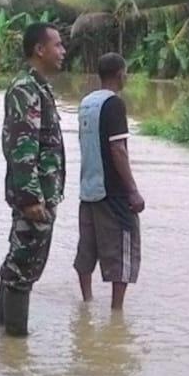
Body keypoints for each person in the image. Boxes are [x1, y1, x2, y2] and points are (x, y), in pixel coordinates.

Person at [0, 22, 67, 337]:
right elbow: (23, 145)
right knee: (22, 268)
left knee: (18, 262)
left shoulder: (39, 87)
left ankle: (2, 335)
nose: (63, 52)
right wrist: (30, 198)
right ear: (40, 49)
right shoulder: (26, 88)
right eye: (58, 45)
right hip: (34, 199)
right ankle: (14, 348)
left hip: (41, 195)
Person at [74, 53, 144, 311]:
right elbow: (118, 150)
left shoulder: (86, 103)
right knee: (123, 247)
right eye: (125, 73)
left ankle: (87, 302)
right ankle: (117, 312)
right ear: (119, 74)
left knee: (87, 248)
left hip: (88, 189)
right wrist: (133, 191)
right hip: (112, 192)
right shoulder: (114, 104)